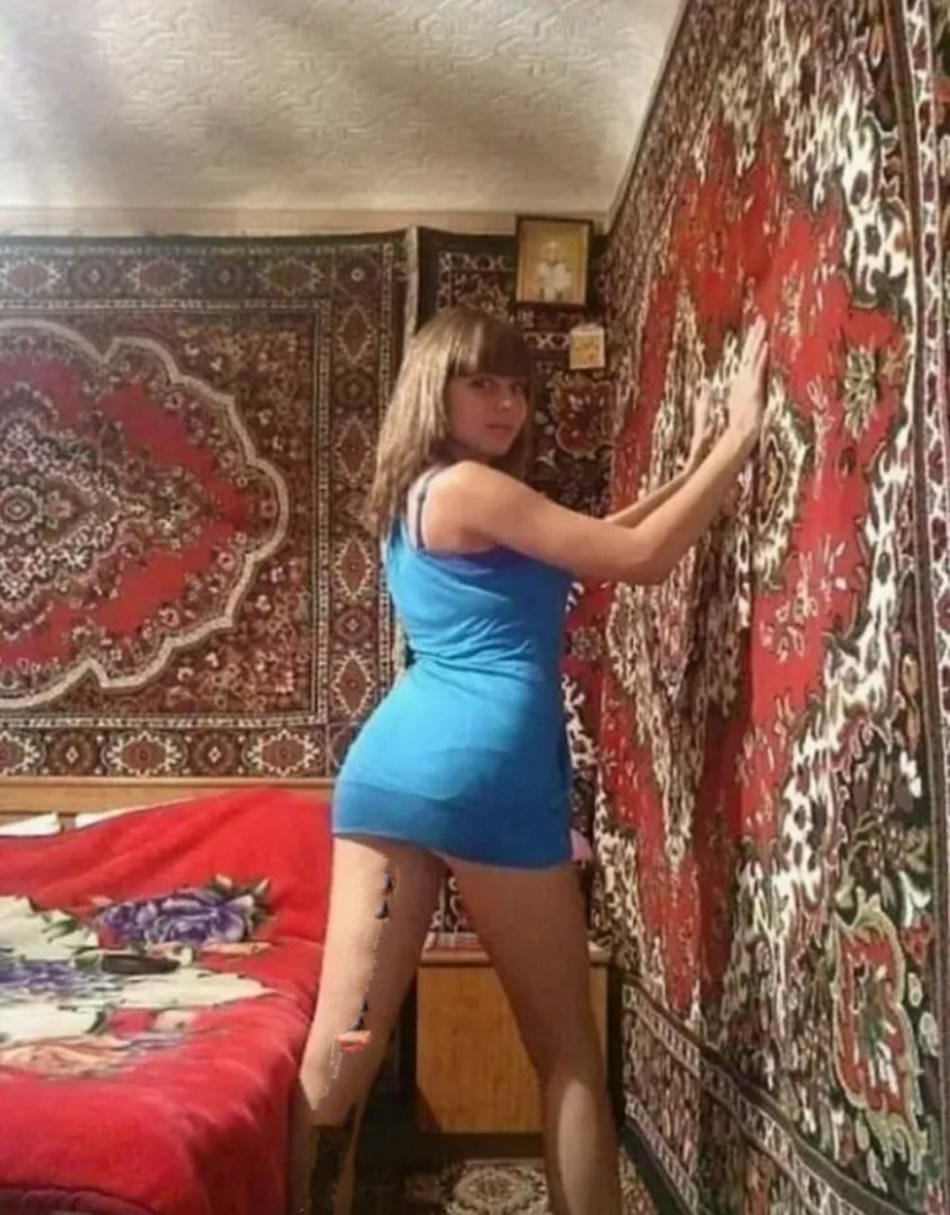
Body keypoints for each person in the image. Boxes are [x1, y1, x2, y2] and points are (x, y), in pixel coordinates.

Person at [292, 306, 769, 1215]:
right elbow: (640, 557)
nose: (507, 403)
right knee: (569, 1057)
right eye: (482, 382)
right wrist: (740, 437)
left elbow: (591, 538)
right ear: (436, 389)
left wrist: (692, 464)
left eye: (517, 386)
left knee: (345, 1042)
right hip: (488, 771)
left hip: (389, 771)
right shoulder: (477, 486)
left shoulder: (416, 494)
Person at [534, 238, 574, 302]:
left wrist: (560, 285)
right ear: (546, 254)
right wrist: (541, 282)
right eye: (549, 252)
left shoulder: (563, 267)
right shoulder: (541, 266)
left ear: (558, 254)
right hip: (544, 295)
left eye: (555, 252)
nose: (552, 254)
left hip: (558, 295)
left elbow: (567, 283)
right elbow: (537, 282)